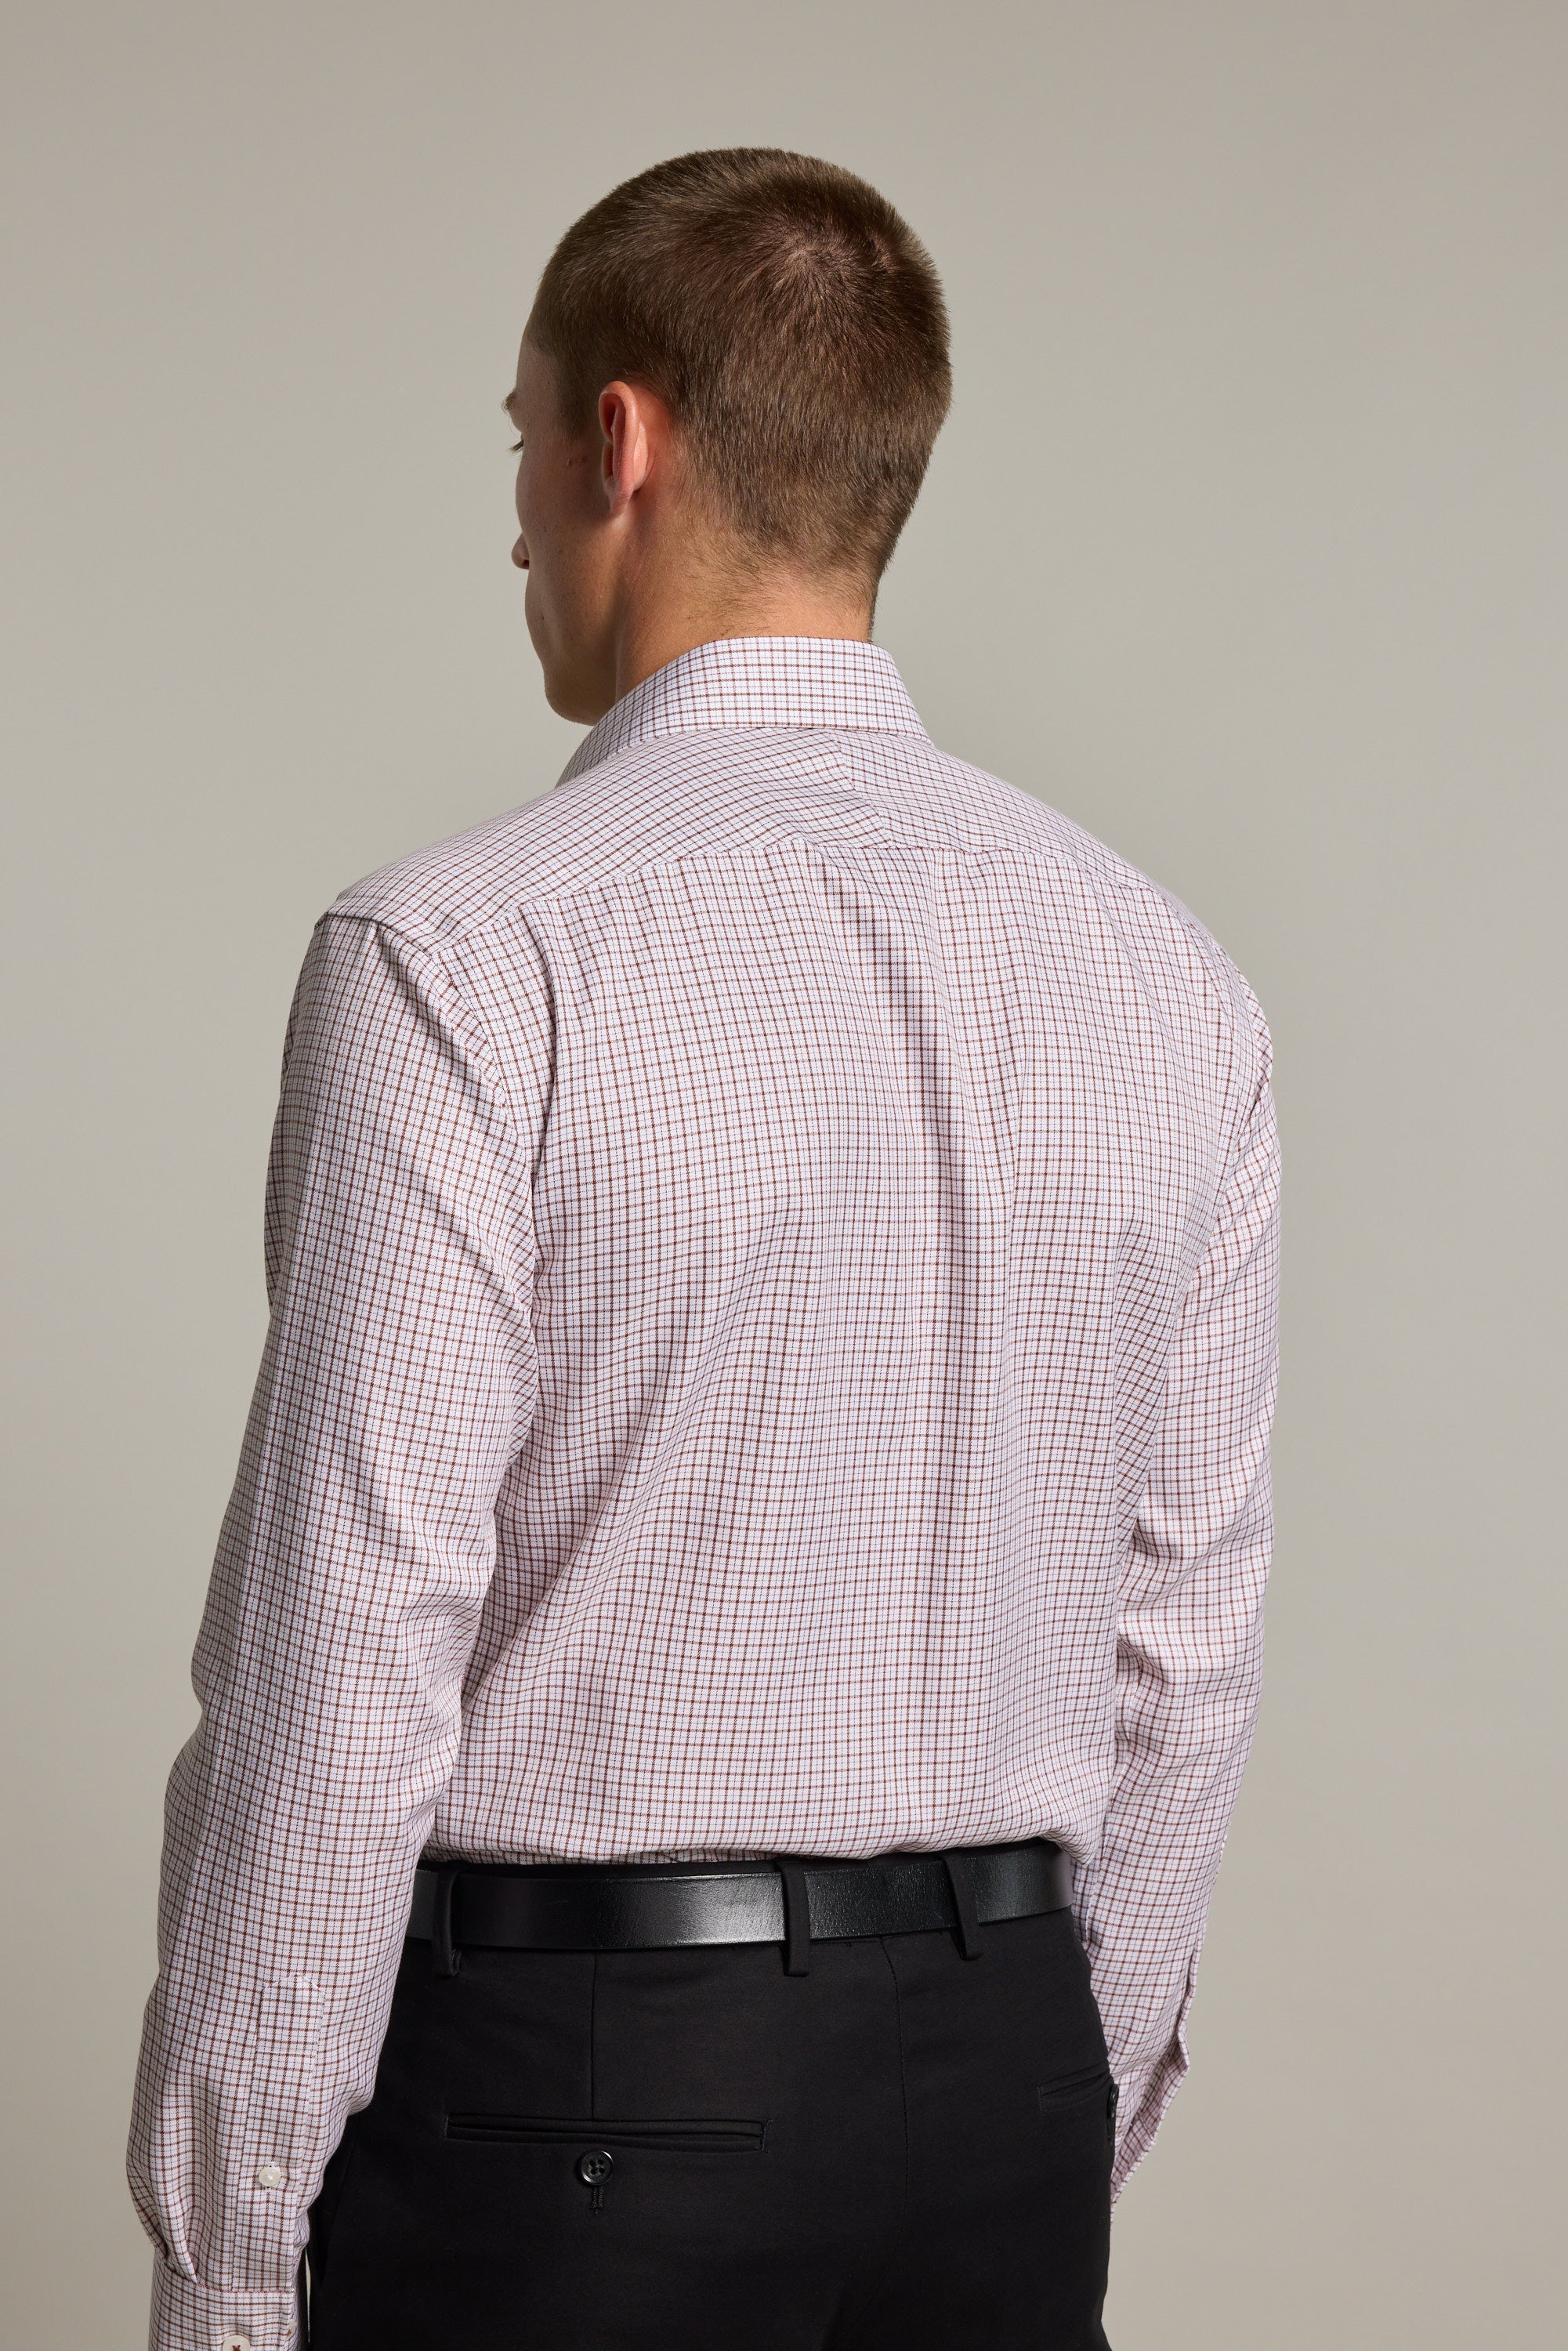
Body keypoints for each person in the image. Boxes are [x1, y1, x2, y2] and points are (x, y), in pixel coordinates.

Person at [128, 147, 1281, 2351]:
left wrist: (227, 2238)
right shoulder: (1165, 974)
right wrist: (1054, 2078)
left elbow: (350, 1642)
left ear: (620, 441)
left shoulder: (464, 958)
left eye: (521, 450)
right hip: (1001, 2087)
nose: (515, 530)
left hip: (570, 2107)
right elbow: (1185, 1637)